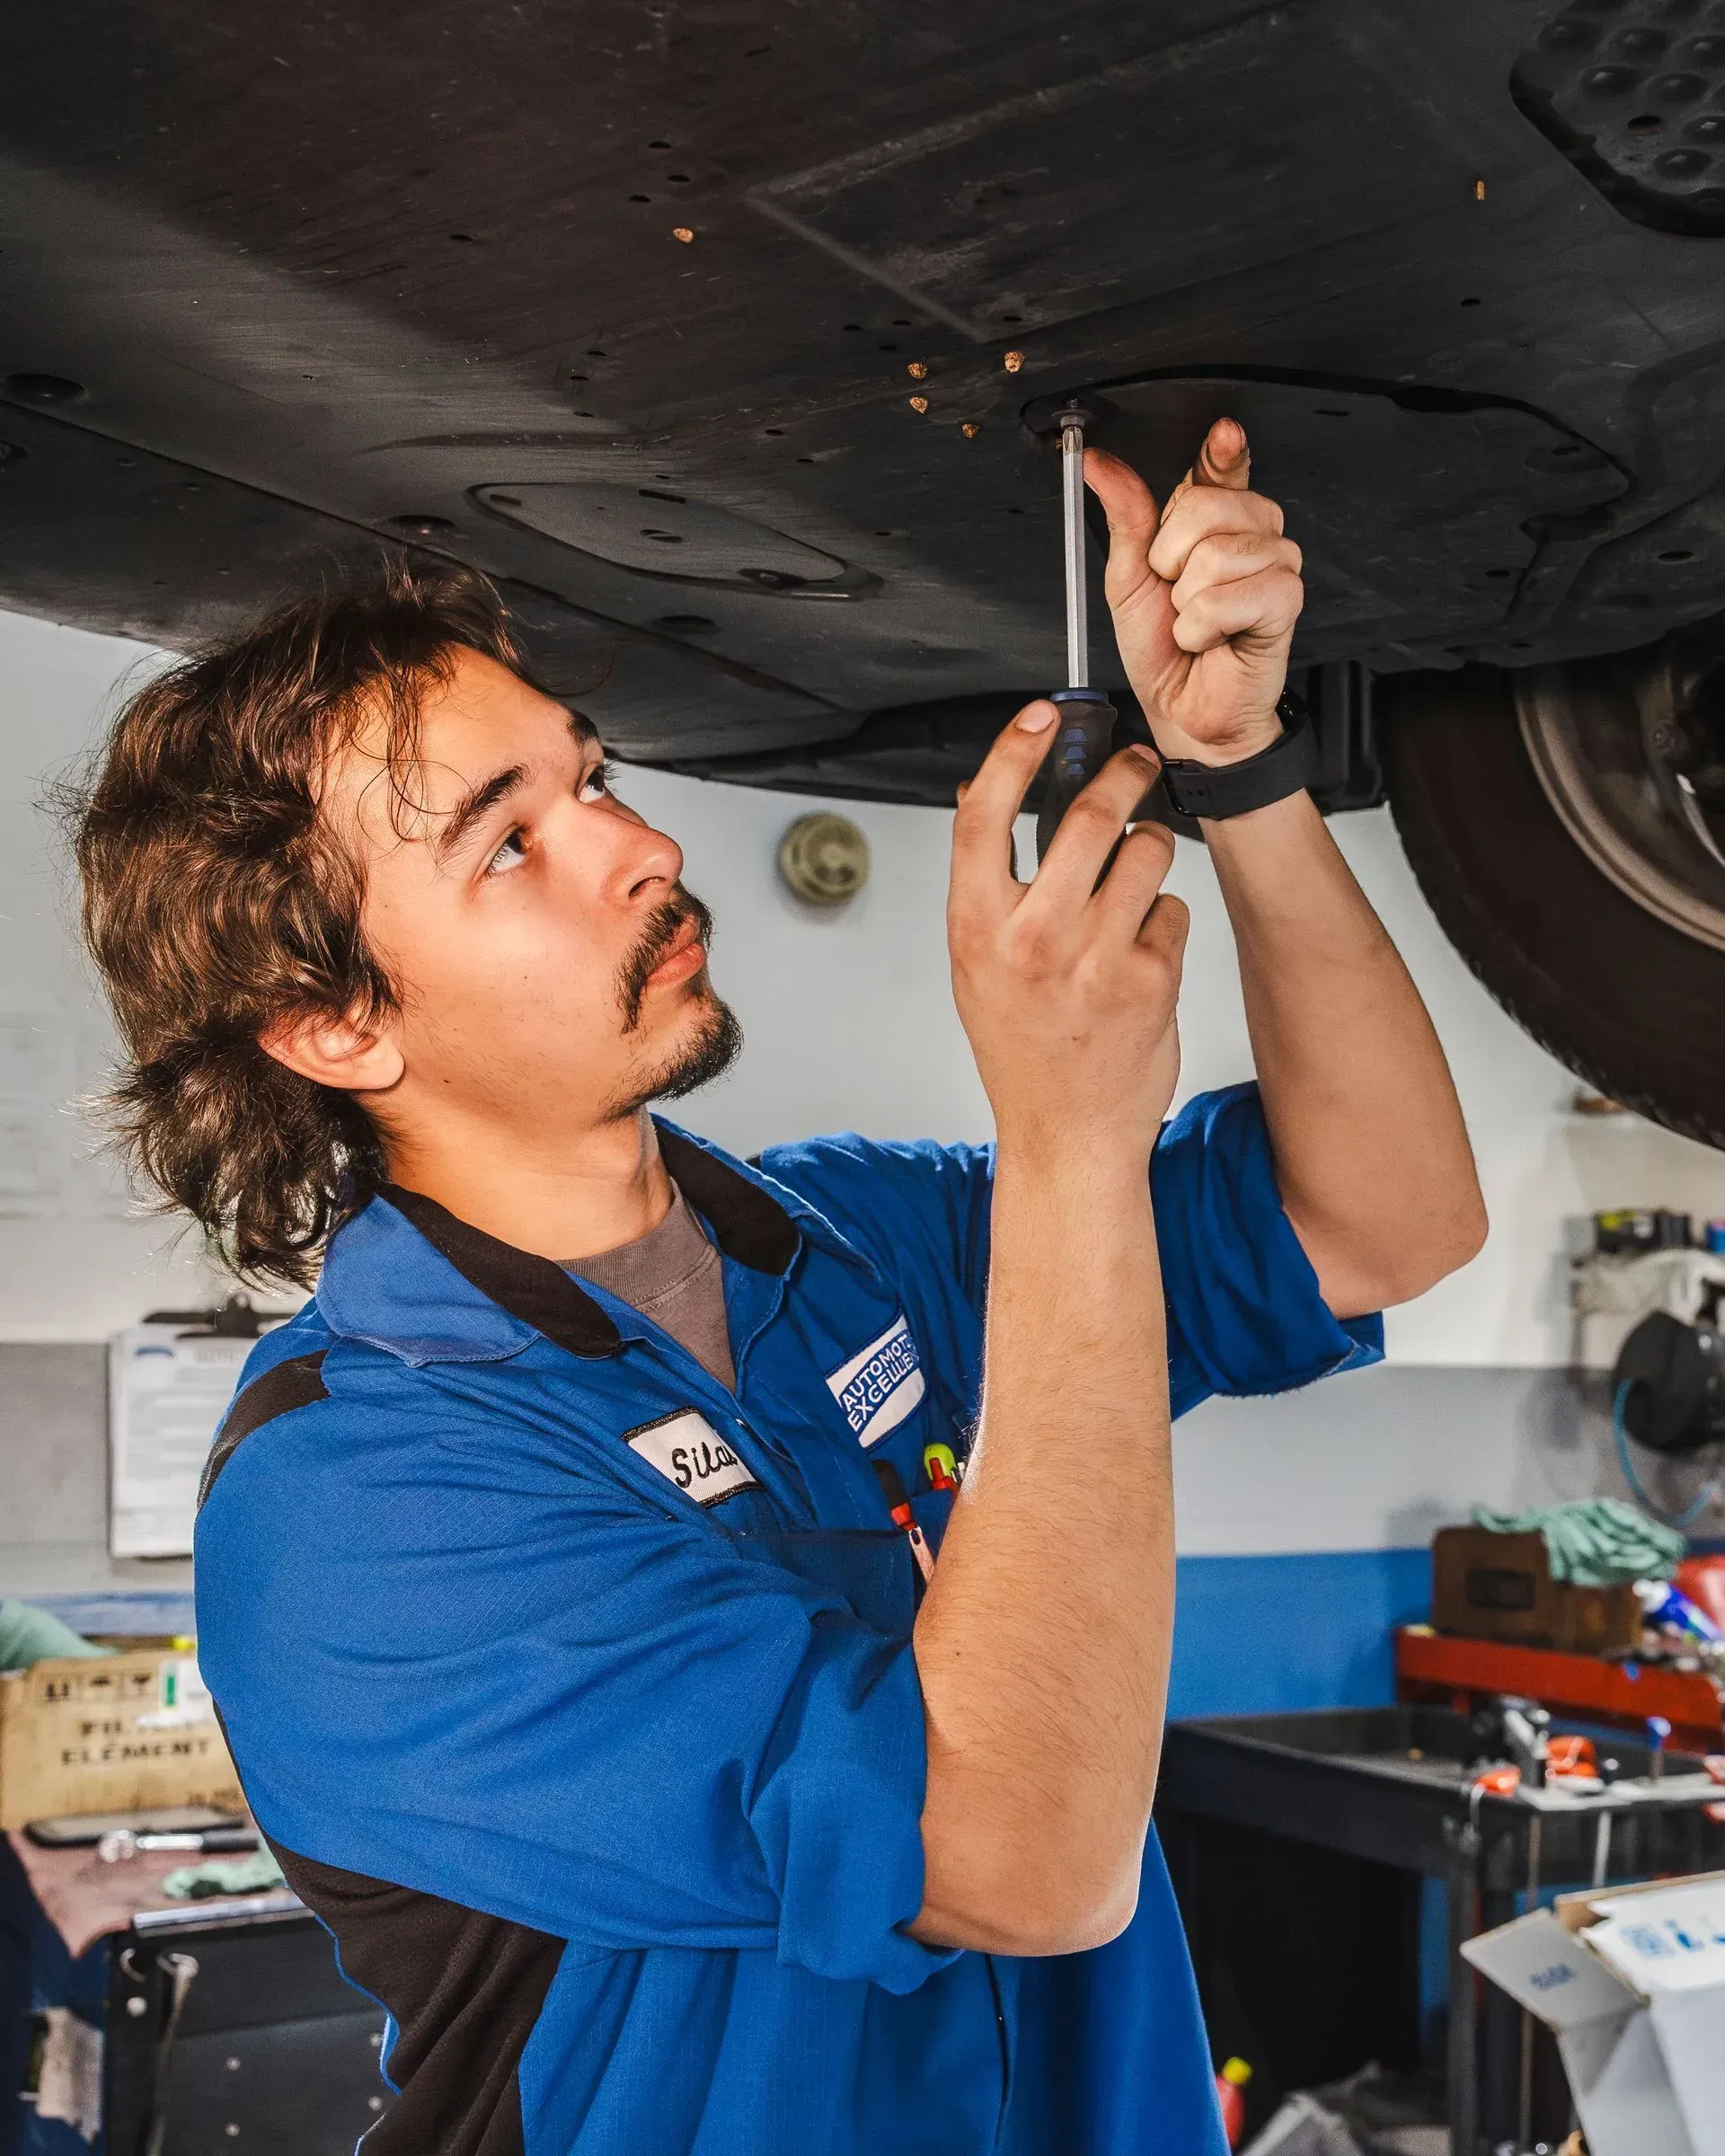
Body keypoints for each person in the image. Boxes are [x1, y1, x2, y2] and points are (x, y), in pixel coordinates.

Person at [72, 421, 1484, 2156]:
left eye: (591, 778)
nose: (642, 847)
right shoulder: (356, 1494)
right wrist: (1069, 1146)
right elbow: (1016, 1857)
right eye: (507, 843)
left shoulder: (859, 1241)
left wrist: (1240, 772)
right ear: (335, 1024)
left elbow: (1388, 1219)